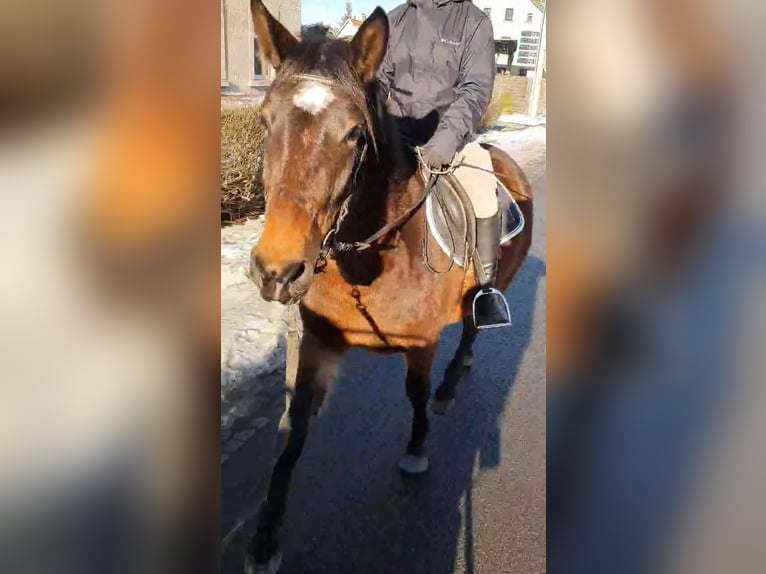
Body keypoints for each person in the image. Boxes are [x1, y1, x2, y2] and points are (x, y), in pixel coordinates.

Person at [376, 0, 511, 328]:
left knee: (481, 188)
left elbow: (476, 89)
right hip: (396, 133)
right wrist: (377, 122)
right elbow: (374, 80)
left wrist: (445, 142)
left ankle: (484, 289)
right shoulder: (395, 19)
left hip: (450, 137)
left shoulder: (474, 22)